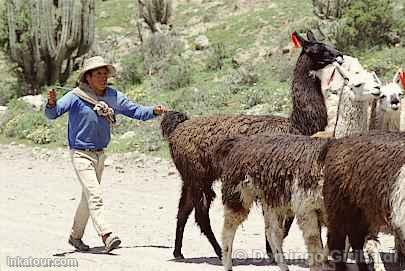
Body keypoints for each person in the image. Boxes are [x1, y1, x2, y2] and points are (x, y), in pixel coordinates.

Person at [45, 55, 168, 253]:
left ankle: (75, 236)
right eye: (98, 74)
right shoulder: (75, 96)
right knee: (95, 194)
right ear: (88, 77)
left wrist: (154, 111)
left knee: (88, 198)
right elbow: (53, 114)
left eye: (105, 74)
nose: (103, 77)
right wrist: (51, 104)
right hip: (80, 154)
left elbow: (135, 111)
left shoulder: (113, 96)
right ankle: (106, 234)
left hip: (100, 155)